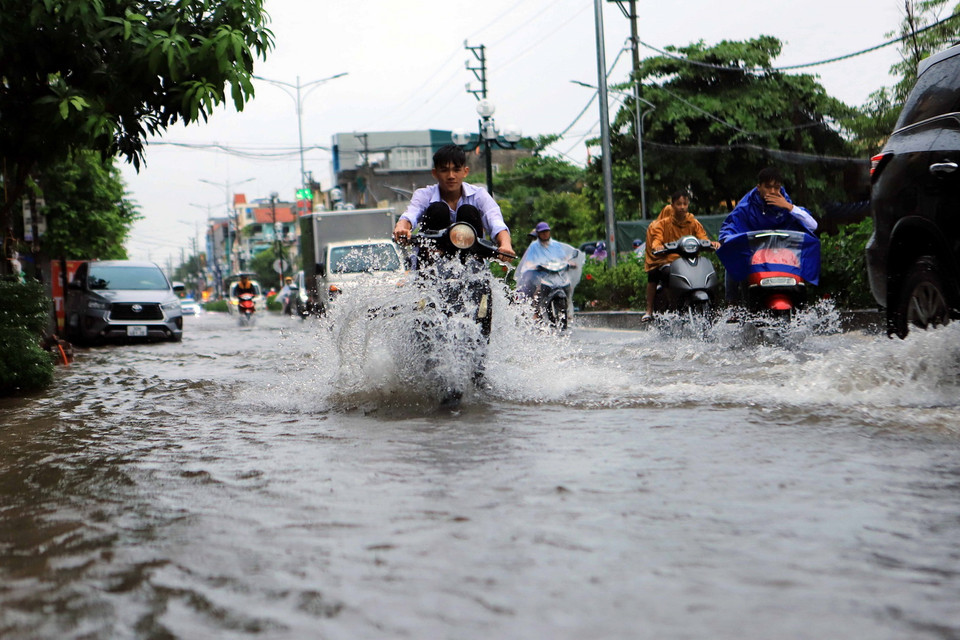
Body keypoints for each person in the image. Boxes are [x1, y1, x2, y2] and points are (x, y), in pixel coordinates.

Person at [393, 144, 514, 259]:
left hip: (470, 262)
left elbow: (496, 222)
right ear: (435, 173)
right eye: (445, 170)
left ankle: (473, 261)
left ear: (465, 172)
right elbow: (410, 215)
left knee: (467, 211)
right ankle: (431, 259)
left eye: (456, 170)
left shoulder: (479, 195)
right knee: (439, 209)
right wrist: (402, 229)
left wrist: (505, 245)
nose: (451, 176)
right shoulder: (423, 195)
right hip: (432, 262)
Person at [718, 167, 818, 302]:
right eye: (768, 187)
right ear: (759, 187)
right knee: (732, 258)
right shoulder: (746, 207)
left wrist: (789, 207)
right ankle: (732, 305)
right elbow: (730, 227)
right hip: (754, 256)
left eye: (776, 188)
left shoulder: (786, 205)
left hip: (781, 257)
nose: (772, 191)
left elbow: (813, 225)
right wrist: (727, 240)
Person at [641, 191, 719, 322]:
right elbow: (656, 240)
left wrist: (711, 244)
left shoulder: (693, 222)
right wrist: (658, 246)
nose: (682, 207)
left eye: (685, 204)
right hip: (668, 261)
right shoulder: (662, 224)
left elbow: (703, 238)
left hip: (689, 260)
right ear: (672, 205)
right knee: (657, 273)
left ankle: (714, 309)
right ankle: (649, 310)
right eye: (678, 204)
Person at [515, 221, 581, 305]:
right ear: (538, 233)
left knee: (568, 286)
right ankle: (536, 311)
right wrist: (532, 266)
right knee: (538, 290)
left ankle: (568, 308)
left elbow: (563, 258)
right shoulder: (534, 246)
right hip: (541, 274)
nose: (545, 234)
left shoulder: (556, 245)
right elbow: (528, 261)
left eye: (546, 231)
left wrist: (570, 263)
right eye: (542, 232)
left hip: (556, 273)